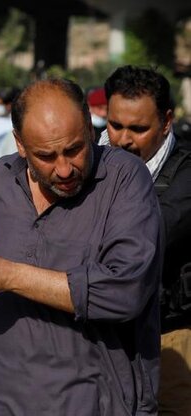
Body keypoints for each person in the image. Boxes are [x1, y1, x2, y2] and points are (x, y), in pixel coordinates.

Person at [0, 79, 162, 414]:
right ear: (20, 144)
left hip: (88, 402)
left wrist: (10, 276)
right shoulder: (2, 179)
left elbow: (124, 291)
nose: (64, 169)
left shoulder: (125, 179)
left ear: (90, 128)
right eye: (46, 156)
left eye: (74, 149)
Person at [102, 65, 191, 416]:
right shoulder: (92, 156)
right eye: (115, 125)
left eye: (138, 129)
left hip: (168, 336)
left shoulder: (185, 176)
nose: (124, 139)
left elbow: (148, 236)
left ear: (166, 121)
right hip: (102, 335)